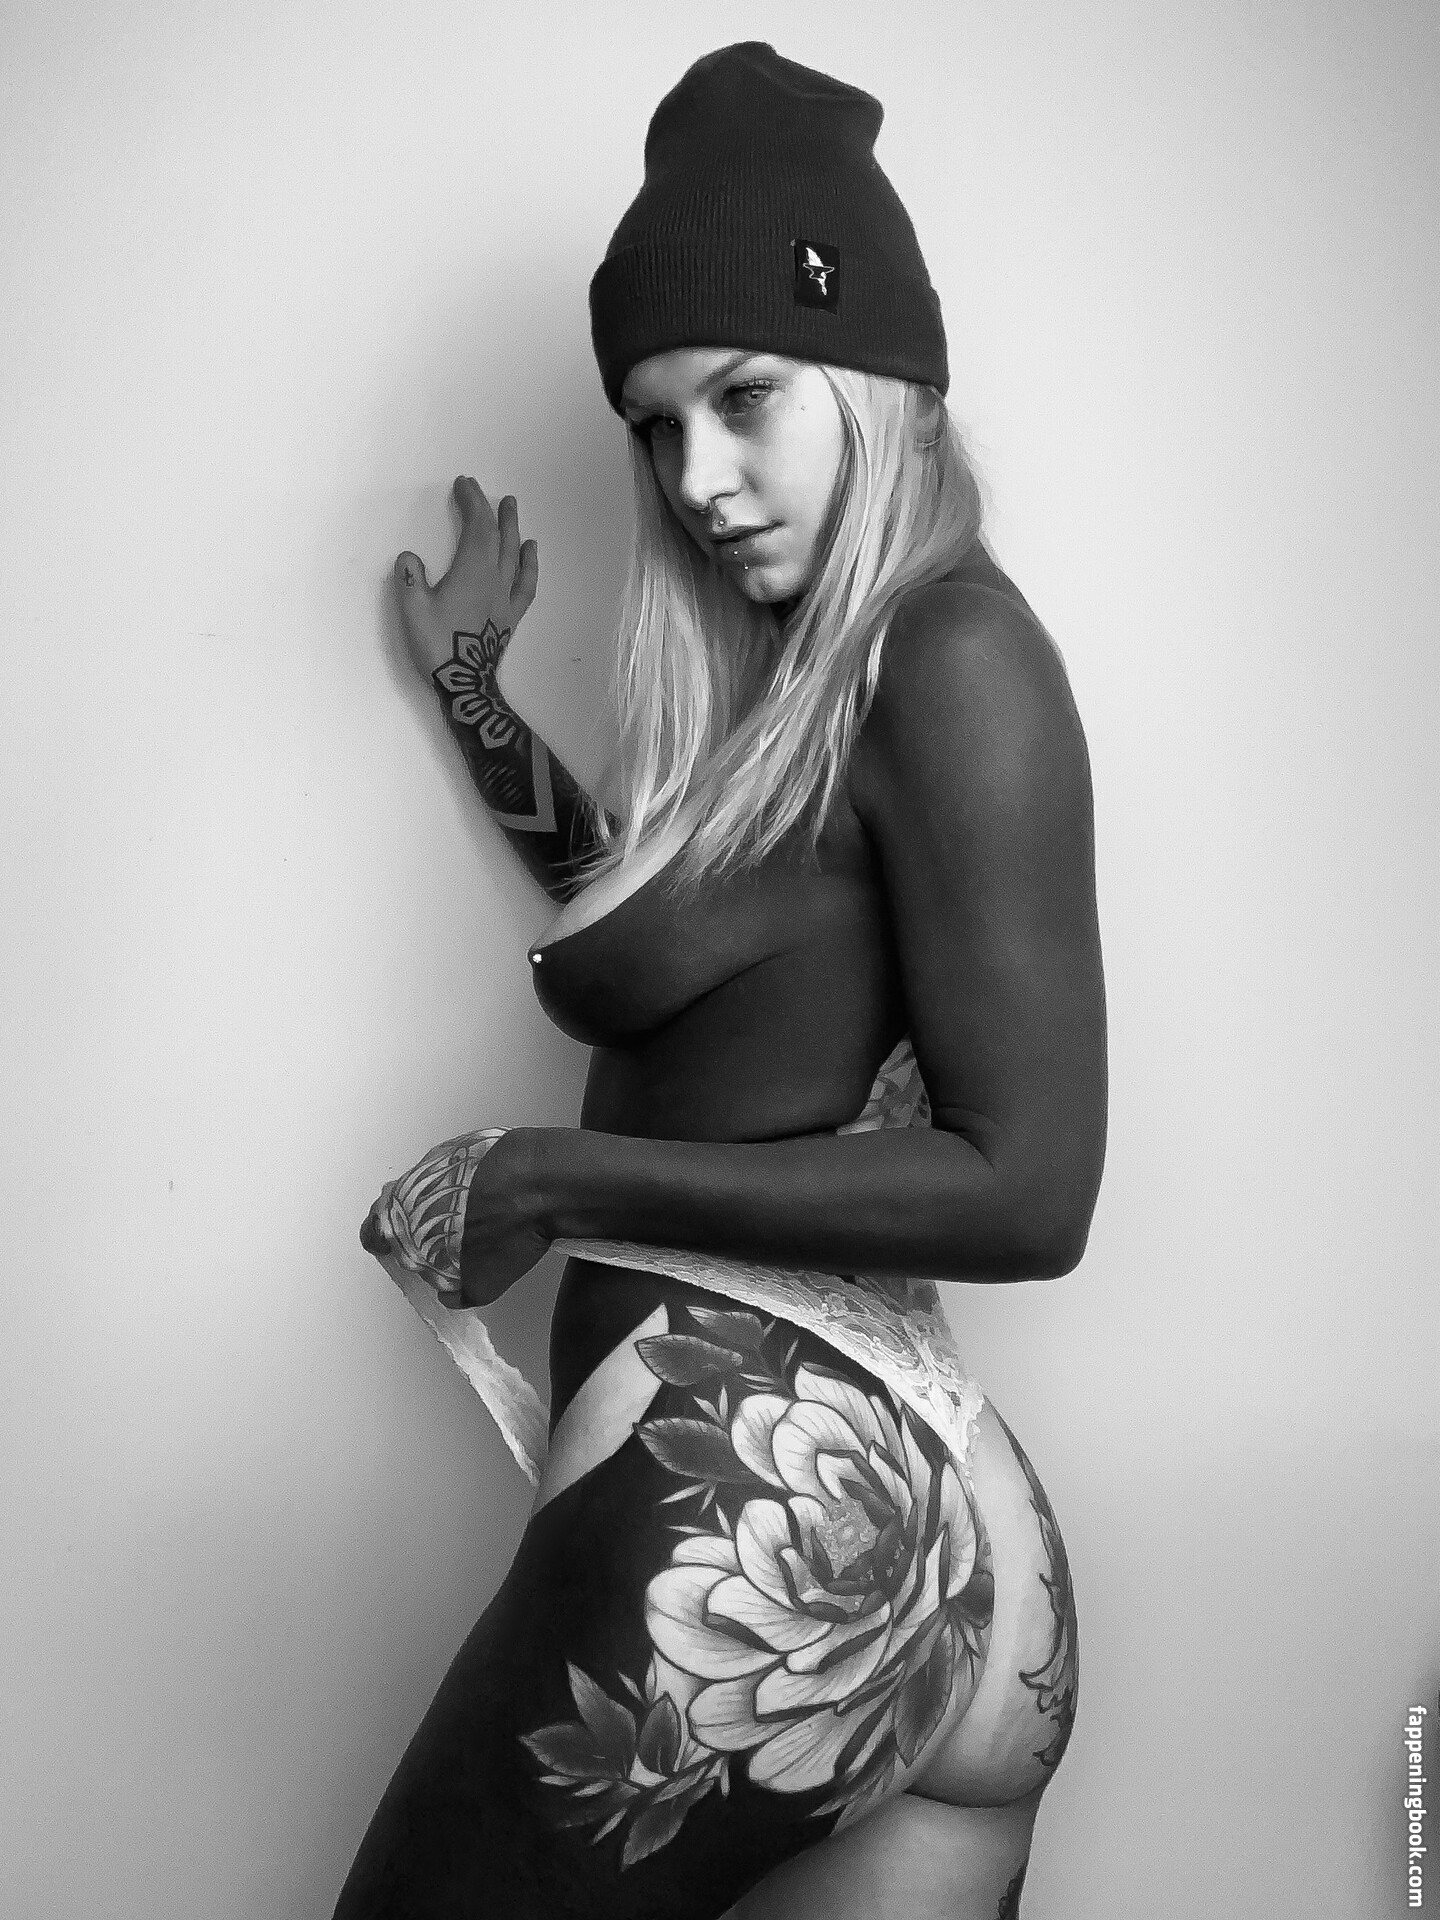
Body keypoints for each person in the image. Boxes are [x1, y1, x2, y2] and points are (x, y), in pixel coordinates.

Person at [337, 41, 1106, 1920]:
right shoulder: (818, 692)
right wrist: (477, 705)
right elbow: (690, 946)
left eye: (746, 396)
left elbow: (1032, 1188)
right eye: (654, 425)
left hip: (758, 1526)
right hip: (903, 1526)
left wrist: (552, 1178)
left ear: (880, 374)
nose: (696, 478)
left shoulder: (956, 660)